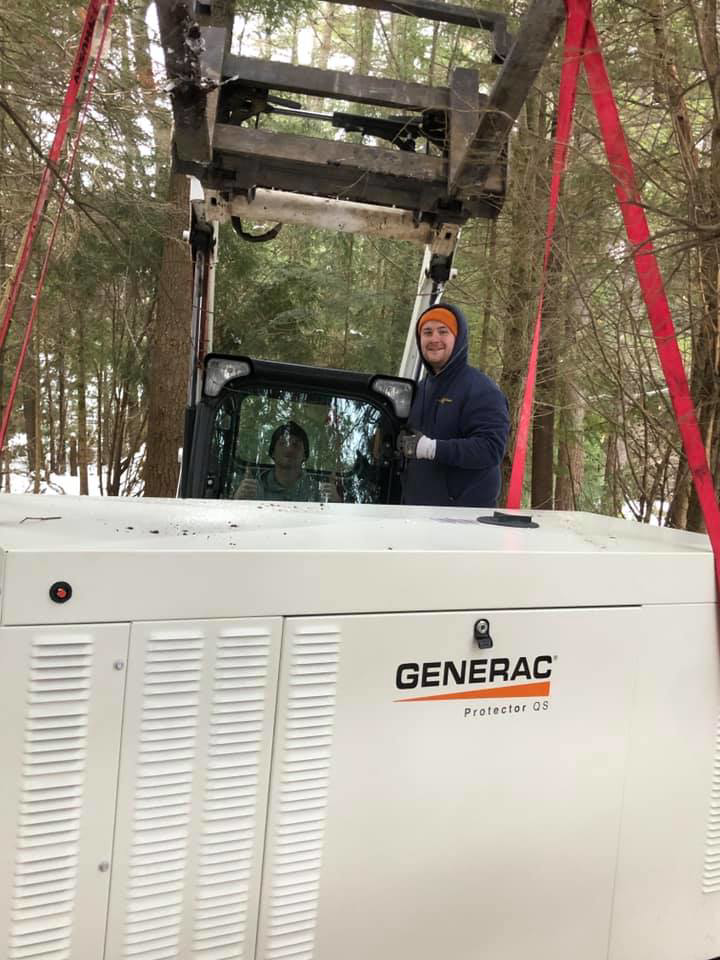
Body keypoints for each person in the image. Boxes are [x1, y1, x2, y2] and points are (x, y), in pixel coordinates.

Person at [399, 302, 509, 508]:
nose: (434, 339)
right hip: (418, 516)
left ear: (458, 338)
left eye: (443, 331)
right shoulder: (421, 389)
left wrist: (433, 448)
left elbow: (491, 449)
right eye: (427, 332)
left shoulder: (481, 389)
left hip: (462, 520)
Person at [235, 420, 339, 502]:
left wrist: (336, 504)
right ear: (272, 452)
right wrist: (237, 500)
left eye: (295, 445)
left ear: (305, 455)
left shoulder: (319, 492)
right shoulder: (253, 489)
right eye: (282, 443)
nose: (289, 449)